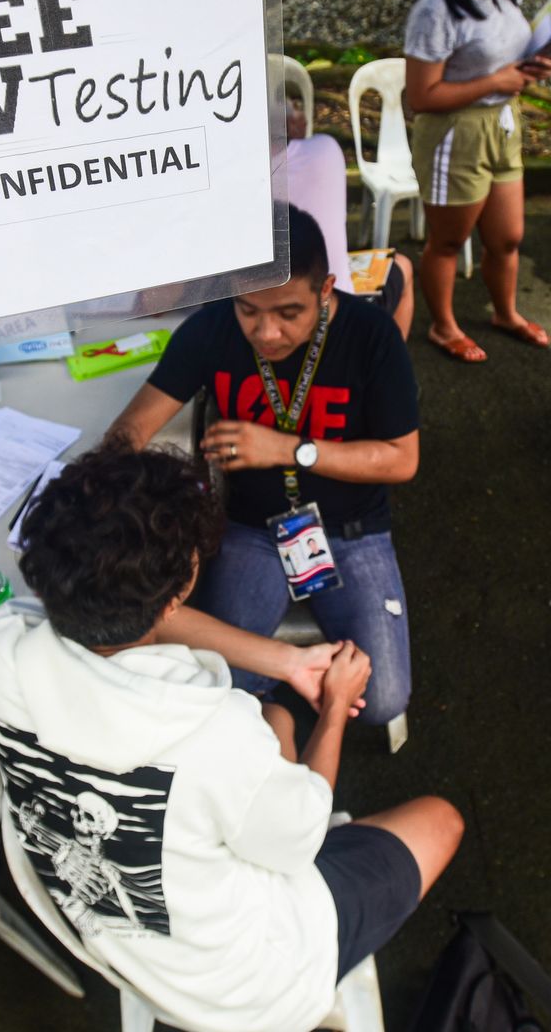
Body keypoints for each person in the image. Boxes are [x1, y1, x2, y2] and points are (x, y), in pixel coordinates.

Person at [0, 445, 462, 1032]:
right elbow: (297, 845)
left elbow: (149, 613)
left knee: (277, 723)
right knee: (441, 820)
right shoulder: (212, 732)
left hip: (113, 940)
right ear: (184, 580)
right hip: (252, 983)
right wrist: (335, 708)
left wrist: (285, 661)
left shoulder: (0, 646)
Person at [108, 205, 419, 727]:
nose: (265, 331)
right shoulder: (211, 329)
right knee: (214, 684)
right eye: (248, 309)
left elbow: (401, 459)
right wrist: (100, 492)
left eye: (288, 312)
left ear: (326, 290)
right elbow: (129, 431)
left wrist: (287, 449)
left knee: (384, 702)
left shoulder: (372, 337)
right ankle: (275, 702)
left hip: (353, 529)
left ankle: (271, 692)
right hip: (252, 528)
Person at [403, 0, 551, 363]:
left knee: (507, 237)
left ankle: (505, 314)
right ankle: (443, 326)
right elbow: (421, 97)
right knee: (449, 241)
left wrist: (527, 68)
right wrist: (495, 80)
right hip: (456, 132)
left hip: (504, 122)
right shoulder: (434, 10)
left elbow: (500, 54)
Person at [286, 106, 418, 338]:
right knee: (403, 265)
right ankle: (387, 366)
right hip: (335, 310)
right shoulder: (324, 151)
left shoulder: (220, 176)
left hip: (247, 311)